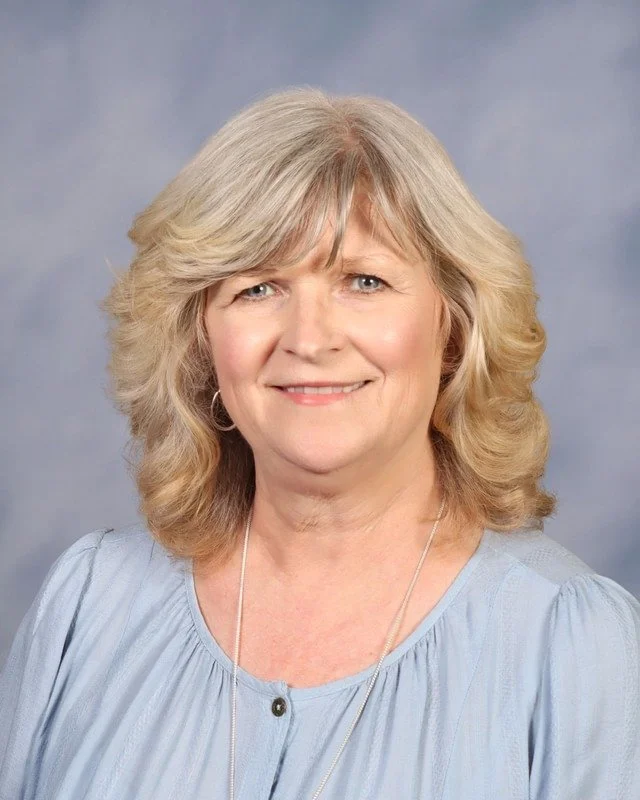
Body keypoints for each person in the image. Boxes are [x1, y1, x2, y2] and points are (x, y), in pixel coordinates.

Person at [1, 87, 638, 800]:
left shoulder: (569, 647)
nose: (308, 339)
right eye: (259, 288)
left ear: (454, 328)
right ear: (199, 339)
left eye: (364, 281)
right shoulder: (89, 607)